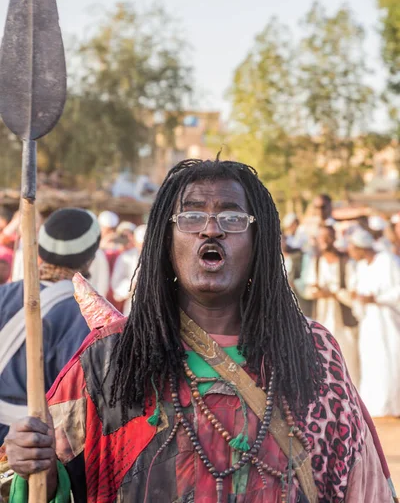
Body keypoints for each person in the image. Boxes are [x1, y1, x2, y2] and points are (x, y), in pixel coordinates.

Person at [5, 160, 396, 502]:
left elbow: (361, 485)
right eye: (191, 217)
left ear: (258, 239)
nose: (211, 229)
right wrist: (35, 463)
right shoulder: (111, 356)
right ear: (165, 239)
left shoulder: (311, 351)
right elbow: (40, 480)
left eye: (232, 217)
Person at [0, 207, 101, 445]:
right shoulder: (83, 316)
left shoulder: (3, 294)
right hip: (29, 447)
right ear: (90, 257)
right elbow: (72, 406)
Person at [295, 225, 359, 385]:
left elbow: (354, 293)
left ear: (333, 238)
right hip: (322, 318)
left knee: (348, 361)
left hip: (344, 321)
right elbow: (307, 289)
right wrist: (317, 292)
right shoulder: (315, 261)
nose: (323, 241)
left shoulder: (345, 262)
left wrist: (334, 293)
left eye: (327, 237)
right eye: (320, 237)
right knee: (324, 360)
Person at [348, 229, 400, 418]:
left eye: (352, 247)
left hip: (389, 322)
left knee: (391, 358)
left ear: (361, 247)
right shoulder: (361, 266)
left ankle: (395, 405)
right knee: (373, 360)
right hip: (370, 322)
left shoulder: (387, 260)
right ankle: (378, 406)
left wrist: (377, 298)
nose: (350, 251)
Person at [111, 223, 146, 315]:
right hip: (132, 305)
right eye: (140, 245)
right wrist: (131, 286)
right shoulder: (126, 257)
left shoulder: (161, 258)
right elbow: (116, 283)